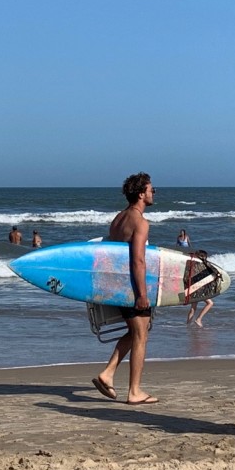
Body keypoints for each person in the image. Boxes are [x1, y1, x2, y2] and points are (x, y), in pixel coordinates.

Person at [92, 172, 157, 406]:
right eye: (151, 189)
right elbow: (138, 261)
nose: (153, 193)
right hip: (131, 288)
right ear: (141, 194)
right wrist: (142, 295)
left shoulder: (118, 219)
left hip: (117, 285)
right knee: (140, 336)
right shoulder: (140, 222)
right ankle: (134, 391)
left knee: (137, 332)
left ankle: (108, 373)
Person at [185, 250, 214, 327]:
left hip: (192, 288)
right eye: (205, 257)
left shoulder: (191, 264)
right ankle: (199, 319)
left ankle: (188, 325)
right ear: (202, 257)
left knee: (193, 307)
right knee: (210, 303)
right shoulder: (201, 265)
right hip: (198, 289)